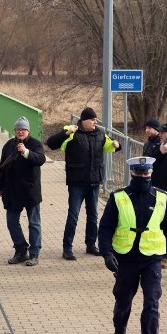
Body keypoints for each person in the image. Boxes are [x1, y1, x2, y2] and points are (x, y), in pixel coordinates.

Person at [98, 156, 167, 334]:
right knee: (123, 299)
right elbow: (106, 227)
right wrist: (107, 253)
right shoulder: (118, 197)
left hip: (151, 259)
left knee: (152, 304)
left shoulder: (162, 198)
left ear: (151, 174)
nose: (143, 176)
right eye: (139, 173)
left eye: (146, 173)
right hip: (125, 258)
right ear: (132, 173)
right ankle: (120, 327)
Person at [46, 107, 121, 260]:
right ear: (84, 120)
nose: (95, 122)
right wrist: (66, 133)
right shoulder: (72, 132)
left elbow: (110, 147)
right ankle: (67, 248)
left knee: (93, 215)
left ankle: (91, 244)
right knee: (73, 216)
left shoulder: (100, 133)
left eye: (95, 120)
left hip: (94, 182)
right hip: (76, 183)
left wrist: (117, 145)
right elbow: (51, 144)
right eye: (92, 119)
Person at [0, 116, 46, 266]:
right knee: (12, 222)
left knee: (34, 223)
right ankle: (20, 249)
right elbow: (2, 166)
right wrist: (0, 186)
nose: (20, 132)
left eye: (23, 129)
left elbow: (40, 159)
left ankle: (34, 253)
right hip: (12, 190)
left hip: (30, 190)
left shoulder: (35, 144)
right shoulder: (8, 145)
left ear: (28, 130)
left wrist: (25, 152)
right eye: (18, 129)